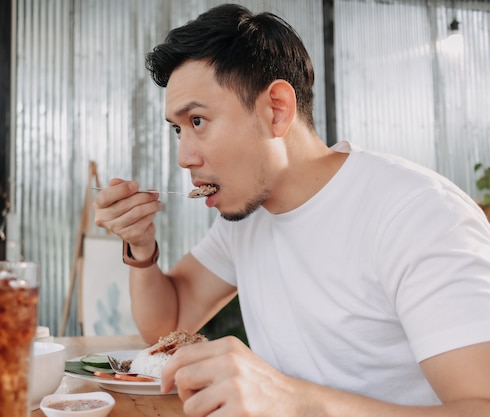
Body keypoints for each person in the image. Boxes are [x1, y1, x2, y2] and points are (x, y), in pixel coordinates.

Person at [93, 3, 490, 416]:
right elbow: (167, 324)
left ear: (276, 109)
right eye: (177, 129)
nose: (183, 157)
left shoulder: (417, 214)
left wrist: (294, 401)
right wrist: (140, 246)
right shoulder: (248, 216)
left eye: (197, 121)